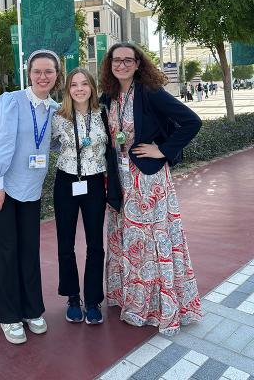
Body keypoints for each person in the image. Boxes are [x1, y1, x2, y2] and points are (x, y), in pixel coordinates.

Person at [100, 41, 202, 335]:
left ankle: (160, 307)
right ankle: (132, 300)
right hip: (121, 181)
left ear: (138, 63)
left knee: (152, 243)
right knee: (130, 243)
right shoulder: (109, 96)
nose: (121, 65)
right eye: (116, 60)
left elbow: (191, 122)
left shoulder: (149, 93)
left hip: (149, 182)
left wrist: (164, 150)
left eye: (127, 60)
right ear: (109, 64)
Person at [0, 50, 62, 345]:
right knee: (5, 251)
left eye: (49, 72)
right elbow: (0, 142)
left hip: (31, 187)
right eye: (37, 71)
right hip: (3, 186)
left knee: (29, 250)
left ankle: (31, 310)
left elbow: (53, 145)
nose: (43, 77)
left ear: (57, 75)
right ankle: (7, 315)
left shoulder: (56, 109)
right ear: (28, 74)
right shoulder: (11, 101)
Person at [51, 68, 108, 325]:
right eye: (74, 85)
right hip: (66, 180)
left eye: (85, 84)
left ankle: (93, 300)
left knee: (95, 244)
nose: (80, 89)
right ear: (68, 90)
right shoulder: (57, 116)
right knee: (66, 243)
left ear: (92, 87)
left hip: (94, 181)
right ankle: (73, 297)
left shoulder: (103, 113)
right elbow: (46, 144)